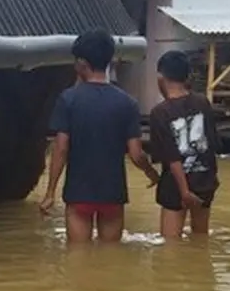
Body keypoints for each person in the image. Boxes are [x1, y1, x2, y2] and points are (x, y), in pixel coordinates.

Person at [39, 30, 159, 243]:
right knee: (110, 258)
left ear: (81, 63)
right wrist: (152, 174)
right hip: (113, 194)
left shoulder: (68, 100)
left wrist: (50, 192)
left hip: (79, 195)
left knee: (77, 257)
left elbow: (61, 149)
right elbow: (136, 154)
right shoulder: (127, 103)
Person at [148, 50, 221, 240]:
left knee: (170, 246)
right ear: (187, 76)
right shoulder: (202, 102)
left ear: (160, 78)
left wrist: (184, 191)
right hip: (204, 181)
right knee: (200, 239)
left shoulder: (159, 113)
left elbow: (171, 157)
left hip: (176, 187)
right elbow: (211, 144)